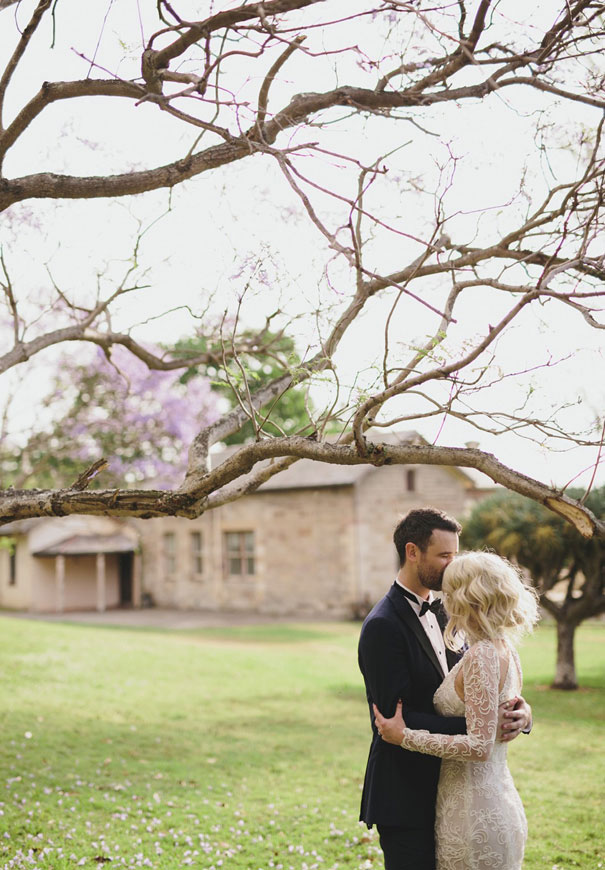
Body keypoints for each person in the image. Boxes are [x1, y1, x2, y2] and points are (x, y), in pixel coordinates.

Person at [358, 508, 532, 870]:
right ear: (412, 552)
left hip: (462, 790)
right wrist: (487, 728)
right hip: (408, 792)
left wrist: (520, 713)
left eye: (455, 554)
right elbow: (396, 719)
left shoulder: (457, 611)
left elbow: (482, 688)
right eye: (444, 556)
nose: (453, 564)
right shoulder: (382, 626)